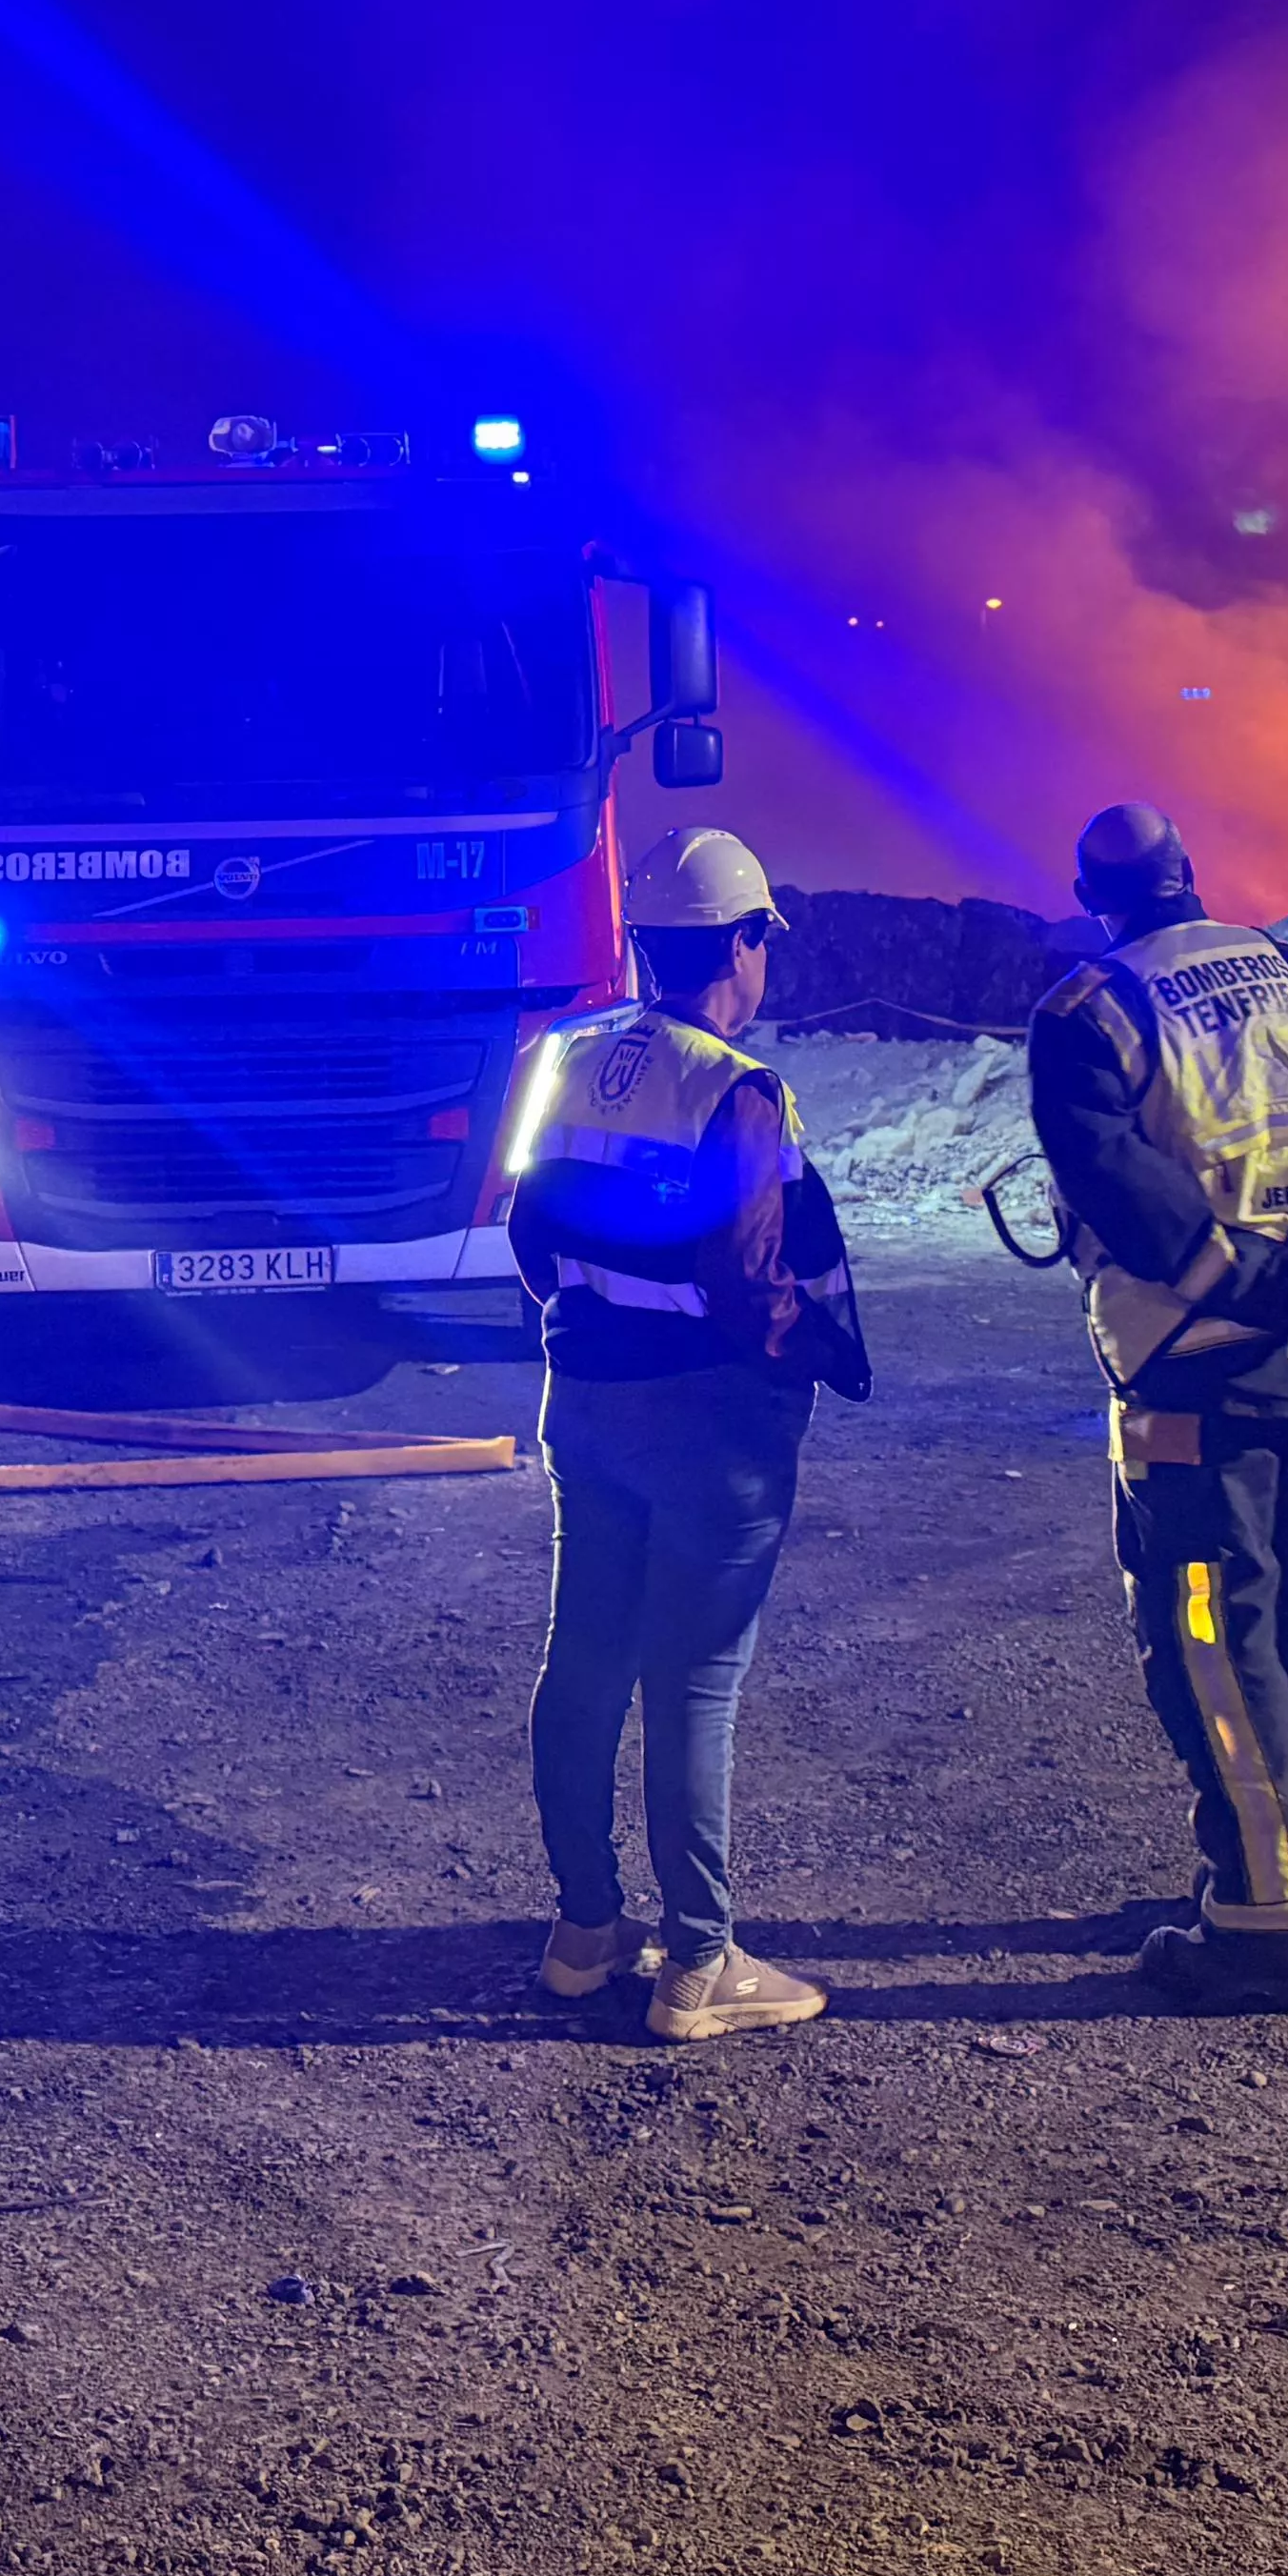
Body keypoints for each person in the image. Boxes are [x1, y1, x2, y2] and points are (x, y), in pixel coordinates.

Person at [1026, 800, 1288, 2015]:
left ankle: (1271, 1921)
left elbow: (1121, 1189)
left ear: (1091, 898)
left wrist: (1247, 1280)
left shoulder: (1086, 1012)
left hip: (1196, 1368)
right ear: (1188, 877)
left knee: (1209, 1637)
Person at [508, 824, 869, 2045]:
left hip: (587, 1397)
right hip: (708, 1416)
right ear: (744, 942)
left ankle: (581, 1932)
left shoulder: (566, 1055)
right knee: (694, 1684)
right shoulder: (735, 1086)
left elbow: (528, 1231)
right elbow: (755, 1274)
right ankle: (699, 1964)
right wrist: (795, 1374)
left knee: (585, 1660)